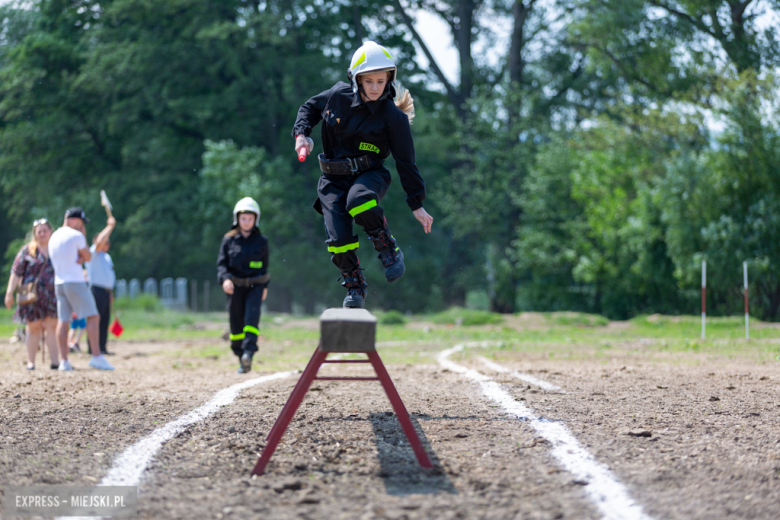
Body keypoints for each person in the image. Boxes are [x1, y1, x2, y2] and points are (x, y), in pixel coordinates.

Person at [293, 41, 434, 308]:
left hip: (370, 175)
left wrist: (416, 204)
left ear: (388, 80)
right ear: (356, 78)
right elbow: (308, 109)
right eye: (368, 81)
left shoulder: (394, 118)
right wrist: (302, 135)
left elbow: (406, 162)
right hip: (331, 181)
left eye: (380, 81)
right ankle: (355, 286)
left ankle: (387, 248)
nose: (374, 87)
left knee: (359, 200)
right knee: (338, 240)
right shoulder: (337, 96)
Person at [48, 207, 114, 371]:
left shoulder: (54, 236)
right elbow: (88, 257)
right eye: (82, 223)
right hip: (75, 281)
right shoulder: (77, 235)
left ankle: (64, 361)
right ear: (77, 221)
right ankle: (97, 356)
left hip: (59, 283)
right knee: (93, 317)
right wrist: (82, 235)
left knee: (63, 321)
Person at [217, 197, 269, 374]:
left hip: (256, 287)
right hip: (235, 287)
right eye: (243, 218)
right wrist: (225, 279)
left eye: (250, 218)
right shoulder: (228, 240)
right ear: (237, 219)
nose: (247, 222)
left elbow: (265, 267)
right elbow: (222, 264)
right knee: (236, 321)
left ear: (256, 219)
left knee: (251, 319)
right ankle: (240, 356)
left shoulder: (262, 241)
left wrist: (265, 287)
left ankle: (249, 352)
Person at [4, 219, 60, 370]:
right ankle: (31, 362)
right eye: (39, 231)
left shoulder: (57, 249)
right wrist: (9, 292)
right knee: (33, 327)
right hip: (31, 295)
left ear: (51, 231)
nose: (42, 234)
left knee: (51, 327)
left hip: (52, 295)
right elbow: (16, 272)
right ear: (35, 234)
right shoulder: (27, 250)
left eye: (44, 230)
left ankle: (55, 362)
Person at [85, 216, 117, 355]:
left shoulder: (106, 257)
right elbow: (99, 242)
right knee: (95, 320)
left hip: (105, 292)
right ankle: (93, 348)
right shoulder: (93, 253)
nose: (107, 243)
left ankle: (102, 347)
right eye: (106, 241)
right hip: (95, 290)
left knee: (104, 321)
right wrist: (109, 227)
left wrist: (110, 292)